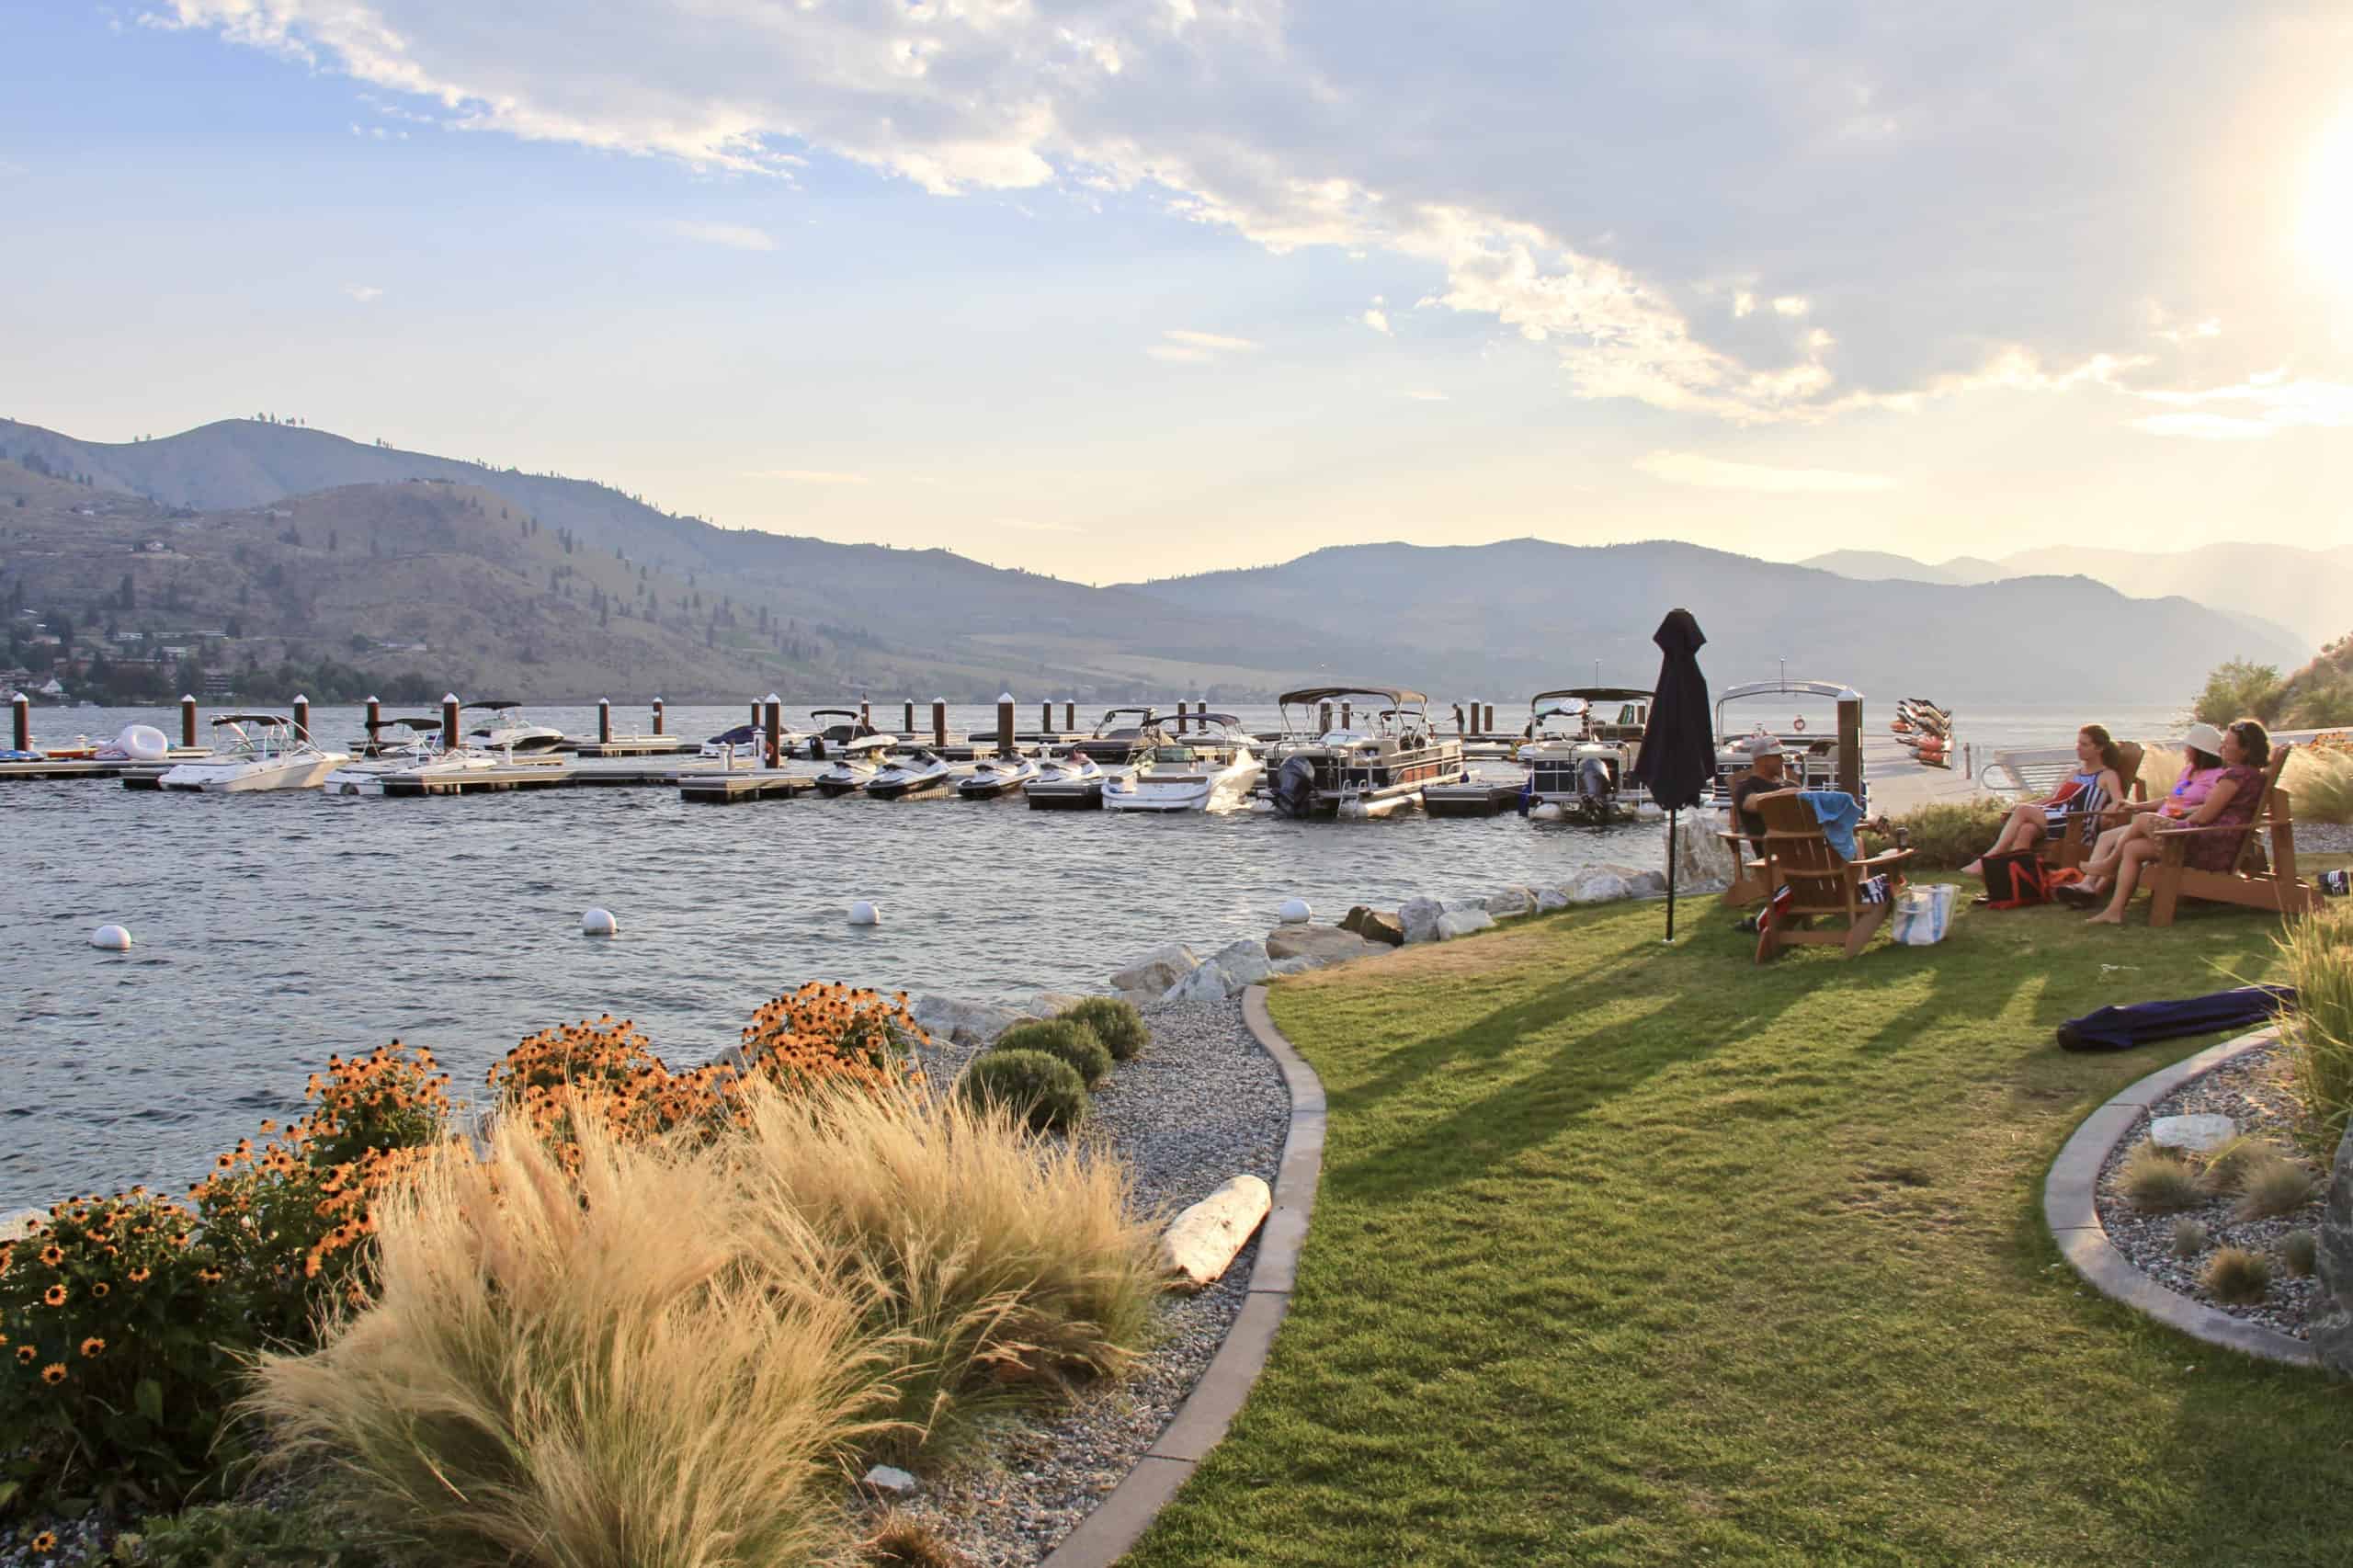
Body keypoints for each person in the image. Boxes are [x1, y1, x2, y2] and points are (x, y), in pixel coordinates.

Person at [2063, 720, 2269, 924]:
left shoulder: (2233, 777)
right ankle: (2114, 911)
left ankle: (2109, 864)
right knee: (2133, 848)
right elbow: (2180, 801)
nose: (2222, 746)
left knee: (2142, 820)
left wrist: (2183, 821)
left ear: (2245, 749)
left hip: (2205, 845)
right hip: (2203, 839)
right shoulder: (2242, 775)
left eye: (2228, 743)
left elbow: (2204, 815)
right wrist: (2151, 809)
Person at [1962, 724, 2128, 876]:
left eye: (2084, 744)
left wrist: (2109, 811)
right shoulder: (2074, 773)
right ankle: (2020, 877)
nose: (2078, 747)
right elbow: (2052, 798)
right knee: (2026, 829)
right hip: (2057, 818)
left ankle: (1989, 858)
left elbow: (2119, 801)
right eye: (2078, 743)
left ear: (2099, 748)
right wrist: (2019, 806)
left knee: (2023, 811)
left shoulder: (2107, 775)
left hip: (2077, 825)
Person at [1730, 737, 1788, 855]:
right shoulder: (1747, 787)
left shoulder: (1790, 785)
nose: (1782, 760)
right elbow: (1751, 803)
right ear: (1762, 760)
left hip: (1804, 846)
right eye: (1777, 756)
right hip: (1773, 854)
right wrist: (1788, 795)